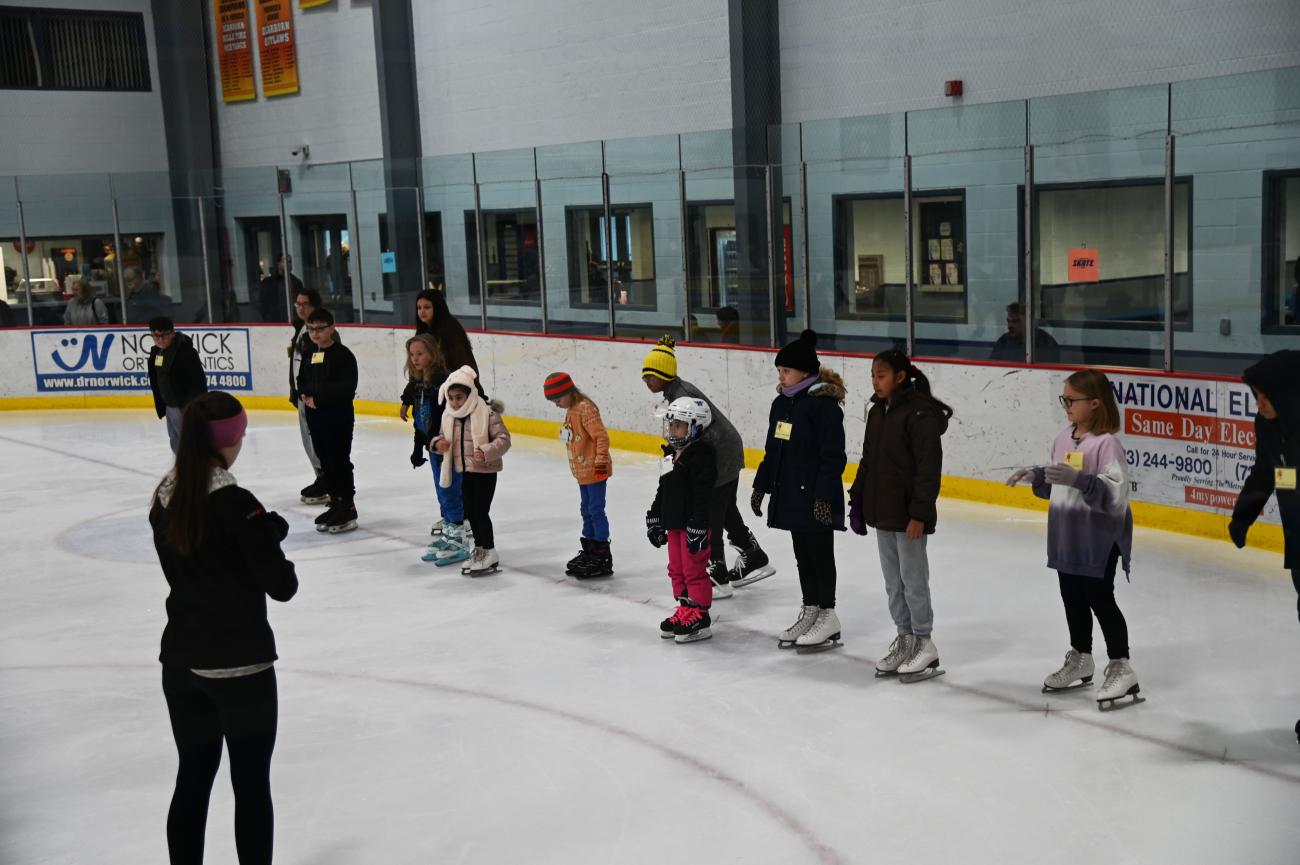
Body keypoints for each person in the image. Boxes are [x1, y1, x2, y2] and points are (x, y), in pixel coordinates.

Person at [149, 391, 297, 865]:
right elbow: (281, 586)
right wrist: (265, 537)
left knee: (193, 774)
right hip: (238, 665)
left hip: (181, 661)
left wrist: (258, 533)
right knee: (250, 784)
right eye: (241, 435)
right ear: (227, 440)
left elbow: (200, 556)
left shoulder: (165, 495)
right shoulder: (236, 503)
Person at [1006, 369, 1140, 711]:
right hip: (1067, 532)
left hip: (1097, 536)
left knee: (1099, 596)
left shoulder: (1106, 443)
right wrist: (1037, 475)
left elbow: (1116, 493)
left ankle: (1122, 665)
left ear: (1095, 404)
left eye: (1072, 399)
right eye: (1063, 398)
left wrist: (1082, 480)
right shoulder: (1063, 437)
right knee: (1071, 596)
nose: (1066, 404)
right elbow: (1059, 483)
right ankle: (1081, 656)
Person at [641, 335, 773, 598]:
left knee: (710, 511)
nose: (645, 381)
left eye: (649, 376)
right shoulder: (675, 392)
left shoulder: (683, 394)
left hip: (720, 455)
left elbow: (701, 432)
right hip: (722, 452)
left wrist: (687, 460)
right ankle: (753, 554)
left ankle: (717, 572)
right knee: (723, 508)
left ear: (664, 374)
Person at [849, 350, 953, 683]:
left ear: (899, 377)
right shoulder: (878, 412)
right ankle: (905, 636)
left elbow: (928, 469)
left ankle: (924, 641)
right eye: (873, 376)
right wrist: (858, 500)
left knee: (913, 581)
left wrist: (919, 514)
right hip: (883, 511)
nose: (875, 381)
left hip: (909, 515)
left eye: (881, 375)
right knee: (893, 582)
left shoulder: (920, 414)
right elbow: (868, 460)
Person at [751, 329, 848, 651]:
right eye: (779, 370)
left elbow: (833, 457)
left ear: (805, 372)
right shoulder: (782, 404)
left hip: (815, 495)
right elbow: (772, 451)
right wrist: (760, 486)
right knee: (802, 555)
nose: (781, 376)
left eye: (786, 370)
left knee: (820, 554)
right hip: (791, 492)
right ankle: (810, 609)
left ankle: (828, 613)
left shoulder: (824, 407)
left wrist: (822, 496)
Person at [1227, 349, 1300, 744]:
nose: (1260, 405)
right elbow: (1265, 472)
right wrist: (1244, 515)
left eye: (1265, 396)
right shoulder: (1269, 424)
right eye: (1256, 397)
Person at [647, 397, 717, 643]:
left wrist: (699, 524)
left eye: (679, 426)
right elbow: (663, 490)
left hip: (692, 526)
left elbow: (703, 494)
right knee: (676, 569)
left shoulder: (702, 456)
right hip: (674, 523)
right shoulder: (672, 456)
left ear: (696, 427)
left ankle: (700, 614)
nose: (673, 430)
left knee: (693, 569)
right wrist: (655, 516)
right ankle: (685, 607)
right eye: (672, 425)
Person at [432, 366, 511, 576]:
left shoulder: (487, 413)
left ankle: (489, 551)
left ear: (470, 394)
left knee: (480, 512)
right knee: (470, 513)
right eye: (452, 398)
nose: (456, 402)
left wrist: (487, 451)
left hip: (484, 471)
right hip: (464, 471)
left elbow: (504, 440)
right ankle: (480, 549)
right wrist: (437, 444)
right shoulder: (450, 416)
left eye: (459, 397)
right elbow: (440, 436)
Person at [400, 334, 465, 564]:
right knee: (441, 493)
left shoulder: (442, 382)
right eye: (412, 354)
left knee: (450, 492)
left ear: (432, 354)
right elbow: (421, 421)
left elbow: (451, 416)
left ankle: (459, 541)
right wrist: (419, 448)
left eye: (420, 353)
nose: (415, 358)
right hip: (432, 447)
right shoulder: (419, 383)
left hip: (446, 447)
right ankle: (449, 536)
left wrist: (440, 441)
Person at [544, 371, 614, 578]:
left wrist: (600, 464)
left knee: (596, 509)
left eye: (557, 399)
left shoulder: (585, 409)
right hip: (583, 472)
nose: (556, 404)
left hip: (595, 470)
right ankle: (590, 549)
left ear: (569, 392)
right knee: (586, 509)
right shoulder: (572, 410)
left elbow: (601, 437)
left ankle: (602, 554)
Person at [297, 308, 359, 533]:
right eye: (311, 329)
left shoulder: (343, 355)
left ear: (332, 328)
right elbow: (301, 378)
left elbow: (346, 387)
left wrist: (319, 399)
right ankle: (335, 501)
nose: (315, 333)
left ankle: (347, 505)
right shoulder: (309, 353)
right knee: (324, 460)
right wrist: (304, 394)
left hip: (337, 416)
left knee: (339, 460)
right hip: (316, 416)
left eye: (320, 329)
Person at [287, 289, 329, 505]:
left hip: (315, 399)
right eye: (297, 304)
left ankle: (327, 479)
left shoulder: (320, 333)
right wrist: (295, 391)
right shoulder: (301, 329)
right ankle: (321, 477)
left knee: (317, 440)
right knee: (308, 441)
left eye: (304, 304)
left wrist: (314, 394)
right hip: (303, 395)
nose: (300, 308)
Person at [148, 317, 209, 454]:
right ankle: (182, 466)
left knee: (190, 441)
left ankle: (196, 468)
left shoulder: (186, 353)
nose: (160, 340)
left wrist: (195, 407)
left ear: (172, 333)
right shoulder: (156, 352)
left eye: (163, 335)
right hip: (169, 405)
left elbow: (199, 382)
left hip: (185, 406)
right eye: (155, 336)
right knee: (175, 440)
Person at [990, 301, 1061, 363]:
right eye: (1008, 321)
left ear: (1028, 321)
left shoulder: (1045, 342)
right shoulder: (1003, 341)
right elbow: (992, 365)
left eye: (1015, 321)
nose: (1010, 326)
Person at [258, 256, 303, 324]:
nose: (289, 264)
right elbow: (263, 302)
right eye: (285, 262)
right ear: (278, 264)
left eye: (290, 262)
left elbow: (299, 301)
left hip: (292, 320)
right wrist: (266, 317)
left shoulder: (296, 282)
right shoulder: (268, 282)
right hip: (274, 320)